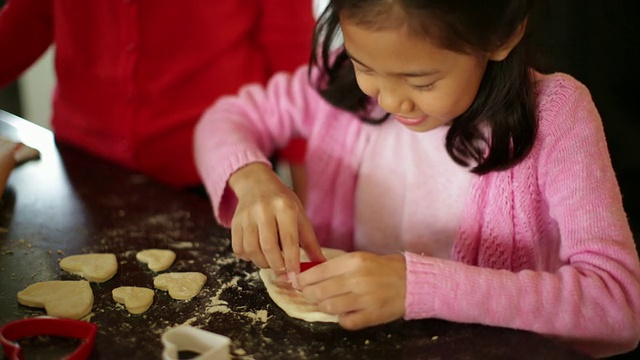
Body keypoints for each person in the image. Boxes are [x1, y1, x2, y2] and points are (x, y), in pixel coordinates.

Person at [193, 0, 640, 357]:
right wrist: (252, 179)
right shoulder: (338, 80)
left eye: (421, 81)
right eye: (365, 65)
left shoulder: (557, 115)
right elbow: (225, 119)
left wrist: (416, 287)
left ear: (503, 34)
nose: (387, 98)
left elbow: (616, 304)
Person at [0, 0, 314, 187]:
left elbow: (291, 53)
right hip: (83, 164)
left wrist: (313, 208)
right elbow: (32, 14)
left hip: (220, 180)